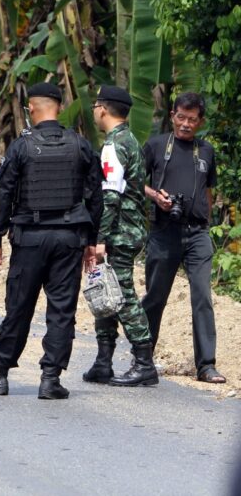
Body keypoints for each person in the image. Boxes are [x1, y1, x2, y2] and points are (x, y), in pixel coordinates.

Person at [0, 82, 102, 399]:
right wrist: (91, 241)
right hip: (69, 238)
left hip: (30, 239)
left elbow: (3, 193)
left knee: (18, 307)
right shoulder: (80, 145)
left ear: (32, 109)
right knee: (61, 312)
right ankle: (51, 379)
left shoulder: (21, 147)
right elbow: (95, 197)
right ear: (60, 106)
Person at [140, 92, 226, 384]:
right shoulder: (155, 145)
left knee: (202, 296)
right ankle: (143, 357)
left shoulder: (206, 151)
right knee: (155, 296)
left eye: (192, 119)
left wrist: (205, 219)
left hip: (197, 233)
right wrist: (156, 196)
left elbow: (208, 190)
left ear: (200, 122)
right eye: (181, 117)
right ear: (172, 116)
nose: (186, 124)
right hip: (164, 231)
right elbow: (135, 180)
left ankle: (206, 365)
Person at [82, 85, 158, 387]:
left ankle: (144, 362)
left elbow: (110, 196)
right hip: (125, 230)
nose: (94, 112)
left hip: (119, 233)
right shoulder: (128, 140)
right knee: (106, 292)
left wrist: (100, 238)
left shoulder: (114, 145)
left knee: (123, 296)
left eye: (95, 106)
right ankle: (103, 361)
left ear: (103, 108)